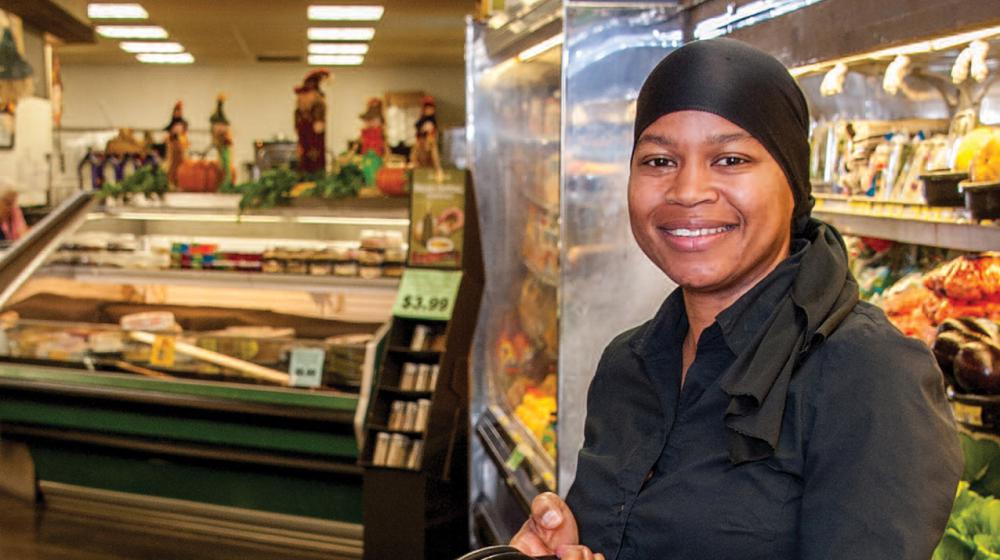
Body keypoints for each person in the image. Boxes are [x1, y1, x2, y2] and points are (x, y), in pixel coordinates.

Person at [510, 38, 962, 560]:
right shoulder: (627, 365)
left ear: (793, 182)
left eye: (729, 159)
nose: (688, 190)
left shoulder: (869, 376)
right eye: (658, 160)